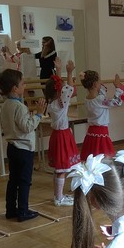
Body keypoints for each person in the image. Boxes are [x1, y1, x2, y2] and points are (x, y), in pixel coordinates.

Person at [0, 68, 47, 222]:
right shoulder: (19, 107)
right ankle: (23, 211)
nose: (25, 86)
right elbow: (27, 127)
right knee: (24, 181)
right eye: (23, 83)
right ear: (15, 88)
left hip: (12, 147)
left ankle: (11, 209)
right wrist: (38, 114)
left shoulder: (6, 104)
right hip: (23, 148)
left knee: (13, 180)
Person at [43, 58, 80, 206]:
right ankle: (58, 199)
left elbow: (62, 87)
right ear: (59, 91)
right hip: (62, 137)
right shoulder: (60, 103)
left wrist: (58, 70)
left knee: (59, 168)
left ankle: (58, 196)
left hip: (58, 136)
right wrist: (69, 72)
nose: (64, 88)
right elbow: (69, 88)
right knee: (62, 169)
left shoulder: (52, 103)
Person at [79, 70, 124, 161]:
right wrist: (118, 87)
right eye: (99, 81)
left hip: (91, 132)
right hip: (101, 132)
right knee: (102, 157)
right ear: (95, 84)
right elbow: (117, 102)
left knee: (92, 155)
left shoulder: (87, 99)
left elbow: (102, 93)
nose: (101, 82)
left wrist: (100, 86)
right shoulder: (99, 100)